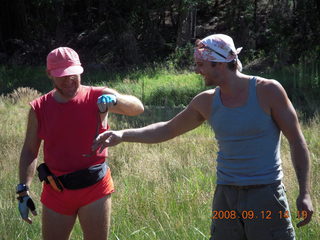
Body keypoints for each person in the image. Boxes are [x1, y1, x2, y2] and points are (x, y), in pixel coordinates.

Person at [91, 34, 314, 240]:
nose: (197, 71)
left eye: (200, 65)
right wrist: (122, 134)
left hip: (264, 196)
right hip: (225, 197)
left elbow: (296, 140)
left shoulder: (268, 91)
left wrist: (305, 193)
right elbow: (168, 129)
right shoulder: (205, 102)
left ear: (219, 63)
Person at [16, 46, 144, 240]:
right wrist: (23, 190)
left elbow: (138, 108)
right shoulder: (39, 108)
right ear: (49, 74)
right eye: (62, 75)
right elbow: (30, 150)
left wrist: (116, 100)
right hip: (56, 190)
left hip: (95, 186)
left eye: (73, 74)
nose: (69, 80)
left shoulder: (97, 96)